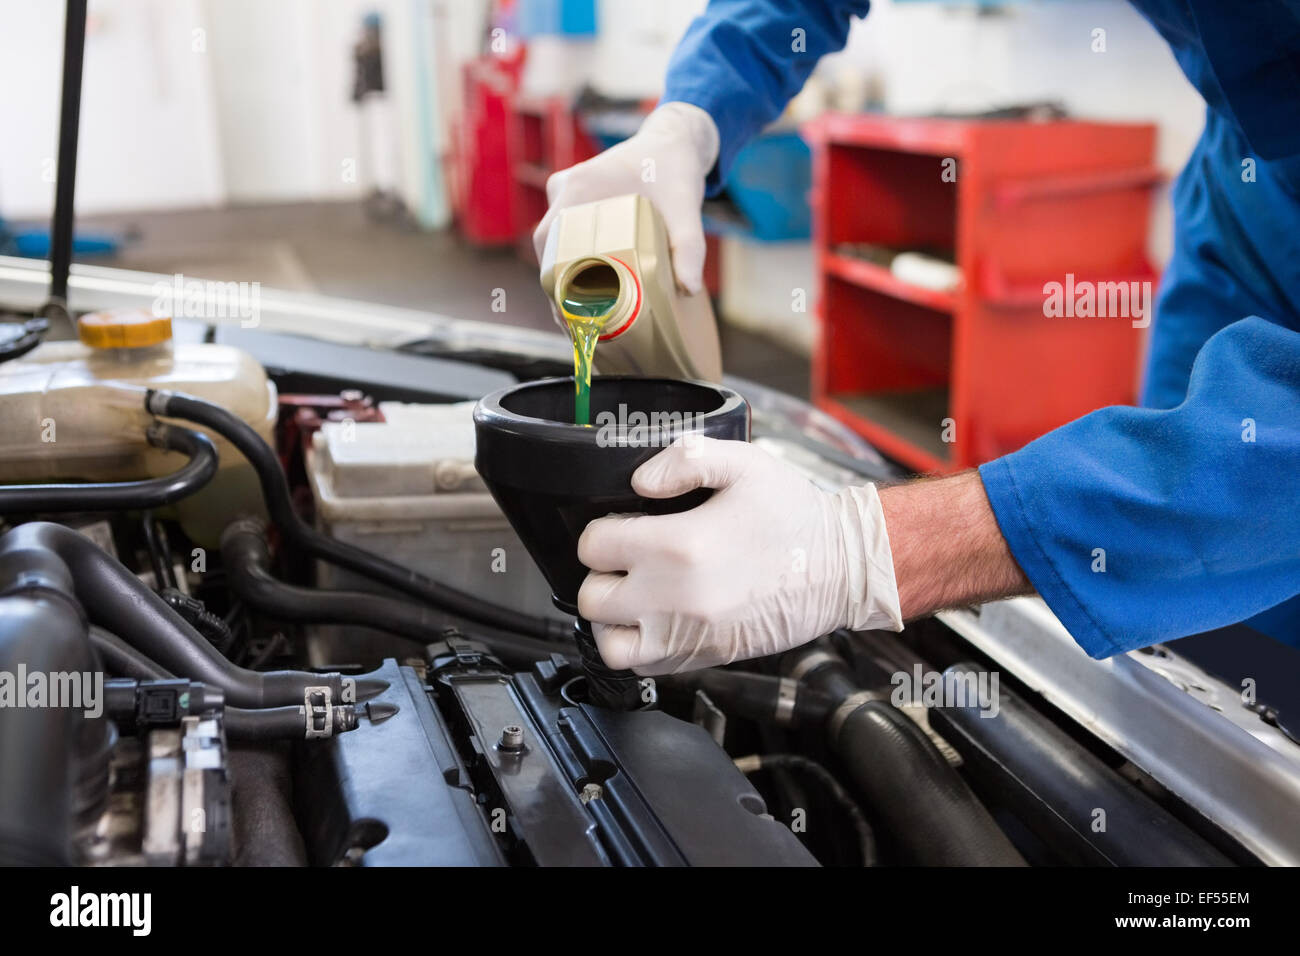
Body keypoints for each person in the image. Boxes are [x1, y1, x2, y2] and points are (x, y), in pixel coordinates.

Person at [532, 0, 1300, 676]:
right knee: (1188, 607)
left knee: (1258, 543)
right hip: (1247, 189)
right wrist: (692, 116)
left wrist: (863, 553)